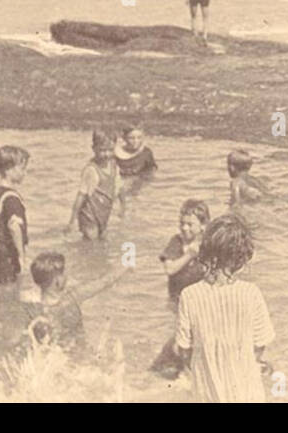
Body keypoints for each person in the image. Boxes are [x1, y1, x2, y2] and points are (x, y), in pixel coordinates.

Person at [175, 213, 276, 402]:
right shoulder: (251, 293)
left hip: (206, 390)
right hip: (246, 390)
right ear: (242, 257)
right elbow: (261, 343)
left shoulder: (189, 295)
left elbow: (184, 349)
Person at [151, 200, 212, 378]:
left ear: (203, 225)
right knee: (182, 339)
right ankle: (181, 370)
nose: (184, 228)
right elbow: (169, 269)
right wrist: (189, 255)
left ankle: (185, 370)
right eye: (181, 223)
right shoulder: (176, 243)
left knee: (191, 339)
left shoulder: (208, 245)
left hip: (201, 302)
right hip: (178, 301)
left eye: (190, 224)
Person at [22, 252, 127, 353]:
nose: (66, 275)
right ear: (57, 281)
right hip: (79, 356)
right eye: (63, 273)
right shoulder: (72, 299)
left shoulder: (34, 311)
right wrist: (126, 267)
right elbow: (104, 282)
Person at [0, 146, 31, 299]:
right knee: (9, 291)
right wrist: (21, 257)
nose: (25, 173)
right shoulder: (11, 198)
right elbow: (14, 227)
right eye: (22, 168)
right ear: (9, 170)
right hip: (5, 251)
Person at [67, 131, 124, 240]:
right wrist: (72, 221)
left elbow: (120, 187)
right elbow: (81, 196)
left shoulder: (114, 166)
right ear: (94, 149)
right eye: (102, 150)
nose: (107, 154)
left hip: (103, 214)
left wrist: (123, 207)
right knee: (90, 243)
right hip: (89, 215)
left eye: (110, 150)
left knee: (103, 242)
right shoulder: (91, 170)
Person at [114, 126, 158, 197]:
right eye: (131, 138)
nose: (136, 141)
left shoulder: (146, 153)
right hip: (120, 184)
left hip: (138, 185)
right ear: (124, 138)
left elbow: (152, 171)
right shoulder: (115, 153)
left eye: (139, 137)